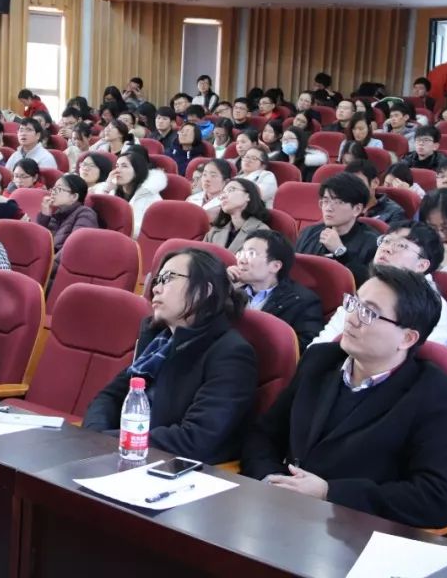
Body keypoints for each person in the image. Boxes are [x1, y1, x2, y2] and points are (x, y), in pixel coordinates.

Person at [242, 265, 447, 529]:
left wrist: (330, 493)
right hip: (281, 512)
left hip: (356, 531)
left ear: (407, 338)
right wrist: (273, 480)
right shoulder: (320, 360)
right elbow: (263, 435)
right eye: (353, 303)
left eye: (368, 313)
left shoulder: (434, 393)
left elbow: (435, 499)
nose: (351, 318)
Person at [84, 248, 256, 463]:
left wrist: (109, 441)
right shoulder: (160, 341)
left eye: (168, 278)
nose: (156, 288)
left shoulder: (231, 354)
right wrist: (94, 436)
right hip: (128, 453)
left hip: (174, 469)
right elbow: (109, 397)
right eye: (157, 280)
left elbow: (195, 439)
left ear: (204, 290)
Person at [310, 222, 447, 348]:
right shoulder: (367, 289)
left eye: (401, 245)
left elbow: (425, 356)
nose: (386, 248)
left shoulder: (433, 307)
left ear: (421, 265)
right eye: (386, 241)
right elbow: (323, 341)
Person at [228, 229, 323, 351]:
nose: (241, 260)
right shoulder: (231, 291)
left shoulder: (303, 301)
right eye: (241, 253)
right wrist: (222, 285)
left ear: (275, 266)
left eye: (251, 254)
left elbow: (304, 348)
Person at [295, 173, 380, 285]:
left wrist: (340, 252)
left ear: (357, 209)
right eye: (326, 201)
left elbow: (368, 283)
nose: (328, 208)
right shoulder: (308, 233)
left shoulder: (372, 243)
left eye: (338, 202)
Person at [92, 148, 168, 239]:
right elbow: (96, 219)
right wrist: (107, 189)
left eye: (124, 166)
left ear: (137, 171)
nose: (117, 170)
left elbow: (141, 232)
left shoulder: (151, 197)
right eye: (117, 166)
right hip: (107, 238)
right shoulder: (111, 190)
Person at [36, 174, 99, 276]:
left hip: (65, 272)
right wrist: (45, 216)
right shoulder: (57, 213)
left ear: (74, 196)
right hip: (48, 267)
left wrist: (46, 268)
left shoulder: (85, 214)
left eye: (59, 189)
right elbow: (39, 243)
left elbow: (75, 246)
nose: (53, 192)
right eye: (53, 189)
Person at [205, 178, 270, 253]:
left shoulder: (262, 231)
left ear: (248, 196)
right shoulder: (214, 231)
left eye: (230, 190)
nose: (223, 196)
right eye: (222, 193)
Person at [344, 160, 406, 226]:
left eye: (359, 182)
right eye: (350, 183)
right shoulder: (343, 207)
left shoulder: (394, 212)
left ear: (375, 182)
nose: (354, 187)